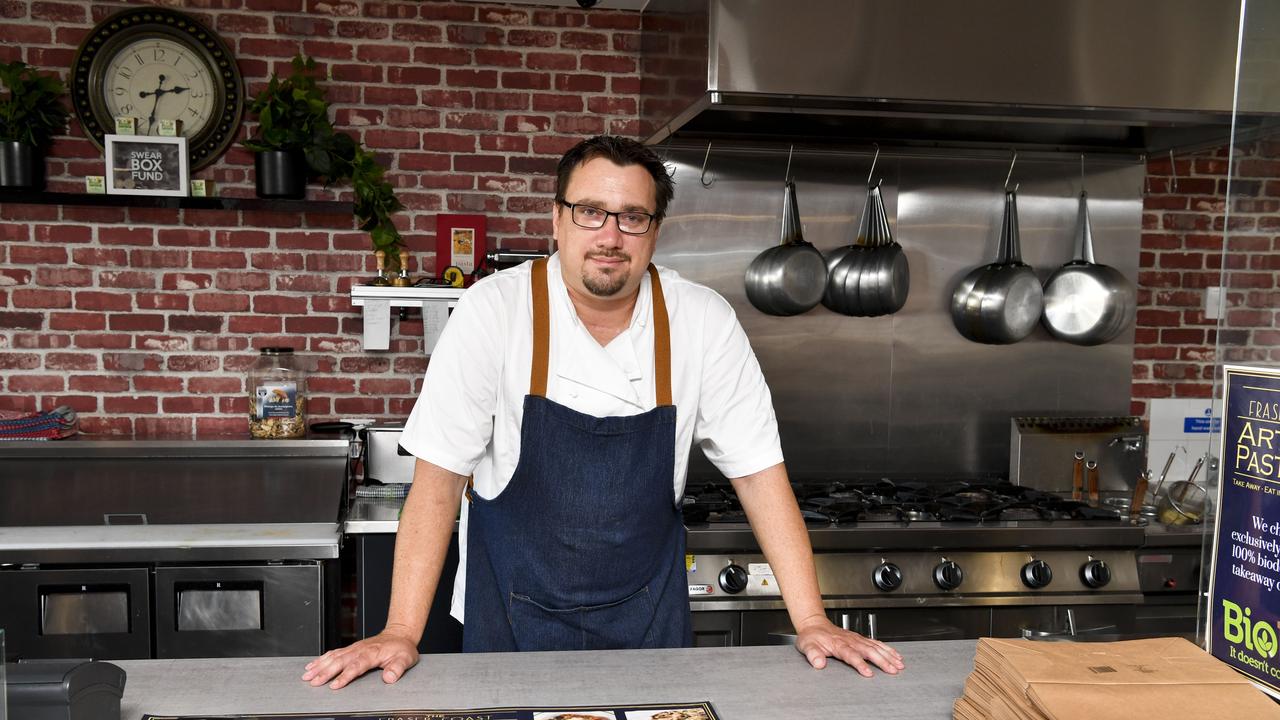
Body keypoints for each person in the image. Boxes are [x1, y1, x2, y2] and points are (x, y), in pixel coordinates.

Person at [302, 136, 905, 689]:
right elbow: (437, 483)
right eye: (590, 211)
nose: (609, 235)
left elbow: (758, 473)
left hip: (649, 625)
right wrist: (401, 630)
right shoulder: (494, 311)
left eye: (632, 217)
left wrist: (812, 618)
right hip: (511, 621)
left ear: (655, 230)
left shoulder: (701, 320)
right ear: (558, 220)